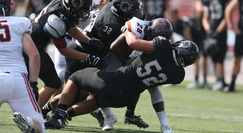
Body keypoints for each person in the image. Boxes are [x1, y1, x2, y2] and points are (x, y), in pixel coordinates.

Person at [44, 25, 199, 133]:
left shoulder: (163, 47)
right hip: (125, 99)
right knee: (97, 101)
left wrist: (127, 30)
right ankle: (66, 115)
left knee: (76, 77)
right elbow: (155, 88)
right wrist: (164, 125)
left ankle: (58, 116)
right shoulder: (178, 75)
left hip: (113, 81)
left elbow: (132, 42)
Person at [43, 0, 145, 131]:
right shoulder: (111, 24)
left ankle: (52, 114)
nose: (134, 11)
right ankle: (50, 113)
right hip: (82, 53)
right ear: (119, 7)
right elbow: (116, 48)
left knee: (78, 92)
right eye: (129, 7)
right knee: (76, 93)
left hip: (91, 52)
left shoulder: (111, 7)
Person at [25, 0, 107, 110]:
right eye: (81, 11)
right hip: (31, 46)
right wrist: (88, 58)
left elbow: (72, 29)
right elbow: (63, 50)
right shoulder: (57, 19)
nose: (83, 14)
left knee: (53, 82)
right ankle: (32, 113)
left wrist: (89, 41)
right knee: (53, 83)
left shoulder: (65, 4)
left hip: (33, 43)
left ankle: (33, 112)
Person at [0, 0, 45, 133]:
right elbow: (34, 55)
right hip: (18, 79)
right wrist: (34, 83)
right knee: (40, 127)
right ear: (7, 6)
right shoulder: (19, 22)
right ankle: (29, 122)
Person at [111, 17, 175, 133]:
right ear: (149, 30)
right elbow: (115, 47)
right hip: (119, 59)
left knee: (151, 85)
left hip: (138, 62)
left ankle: (163, 124)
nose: (154, 41)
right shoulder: (136, 27)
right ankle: (108, 115)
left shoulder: (159, 42)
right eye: (153, 37)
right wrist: (126, 61)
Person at [187, 0, 220, 89]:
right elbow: (199, 9)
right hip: (200, 27)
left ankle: (205, 80)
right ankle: (196, 79)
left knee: (206, 56)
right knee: (197, 55)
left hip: (210, 28)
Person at [202, 0, 233, 91]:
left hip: (221, 33)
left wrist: (218, 31)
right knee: (213, 56)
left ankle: (220, 81)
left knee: (220, 58)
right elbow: (205, 17)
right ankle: (217, 80)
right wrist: (208, 29)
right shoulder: (208, 0)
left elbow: (226, 17)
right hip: (211, 32)